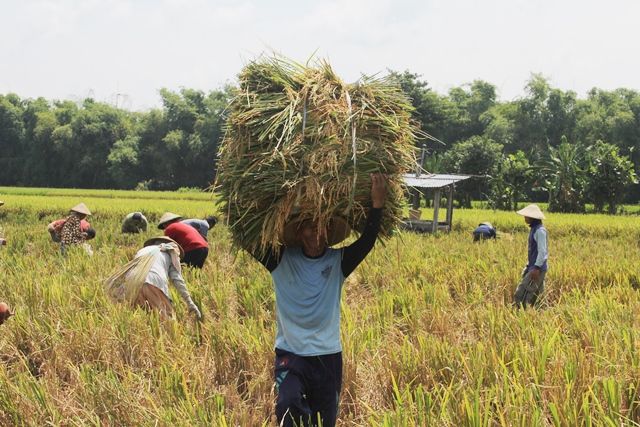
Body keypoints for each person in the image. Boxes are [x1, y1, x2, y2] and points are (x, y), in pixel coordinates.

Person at [246, 173, 387, 427]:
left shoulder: (338, 261)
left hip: (328, 357)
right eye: (309, 226)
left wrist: (377, 205)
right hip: (291, 355)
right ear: (299, 232)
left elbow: (367, 241)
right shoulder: (280, 260)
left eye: (322, 226)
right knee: (287, 406)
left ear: (329, 231)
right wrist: (253, 194)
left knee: (325, 421)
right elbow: (247, 236)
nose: (316, 233)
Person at [104, 236, 202, 321]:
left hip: (132, 282)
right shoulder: (170, 251)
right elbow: (177, 279)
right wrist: (190, 302)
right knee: (167, 321)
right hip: (153, 281)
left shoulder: (143, 251)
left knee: (144, 317)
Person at [513, 204, 548, 308]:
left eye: (526, 216)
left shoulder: (540, 231)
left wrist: (536, 268)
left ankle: (522, 316)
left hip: (537, 268)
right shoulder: (534, 229)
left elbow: (542, 252)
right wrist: (529, 266)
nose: (525, 218)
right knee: (537, 296)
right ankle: (537, 317)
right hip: (533, 267)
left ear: (533, 218)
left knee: (521, 295)